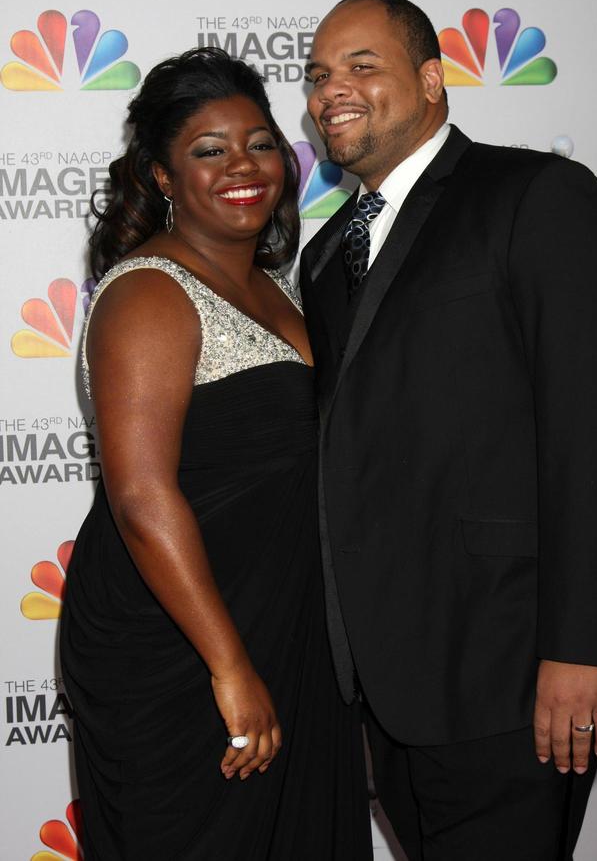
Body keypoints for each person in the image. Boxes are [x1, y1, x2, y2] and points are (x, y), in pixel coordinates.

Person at [300, 0, 597, 860]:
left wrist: (583, 646)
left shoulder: (537, 196)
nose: (330, 90)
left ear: (431, 79)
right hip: (382, 689)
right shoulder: (323, 253)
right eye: (316, 75)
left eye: (361, 66)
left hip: (514, 670)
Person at [60, 47, 372, 860]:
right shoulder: (148, 292)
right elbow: (140, 495)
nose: (243, 165)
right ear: (162, 176)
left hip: (287, 622)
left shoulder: (285, 287)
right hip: (180, 646)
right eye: (209, 149)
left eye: (260, 142)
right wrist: (228, 666)